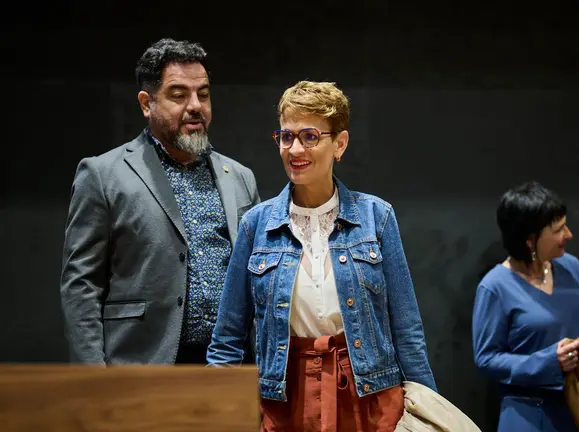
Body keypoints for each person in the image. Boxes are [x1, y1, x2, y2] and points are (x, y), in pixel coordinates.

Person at [207, 80, 436, 431]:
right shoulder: (256, 224)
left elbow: (407, 330)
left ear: (339, 144)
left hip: (368, 395)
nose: (295, 148)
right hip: (284, 398)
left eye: (310, 136)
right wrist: (215, 415)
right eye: (286, 136)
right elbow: (227, 338)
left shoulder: (377, 217)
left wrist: (427, 409)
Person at [59, 38, 260, 365]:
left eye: (204, 94)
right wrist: (92, 380)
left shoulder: (239, 177)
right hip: (142, 365)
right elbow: (81, 287)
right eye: (179, 95)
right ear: (146, 103)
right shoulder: (103, 174)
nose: (195, 105)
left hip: (229, 370)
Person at [472, 181, 579, 432]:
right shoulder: (494, 287)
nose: (568, 235)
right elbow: (486, 359)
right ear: (530, 241)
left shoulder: (571, 266)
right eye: (558, 229)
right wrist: (547, 362)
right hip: (529, 416)